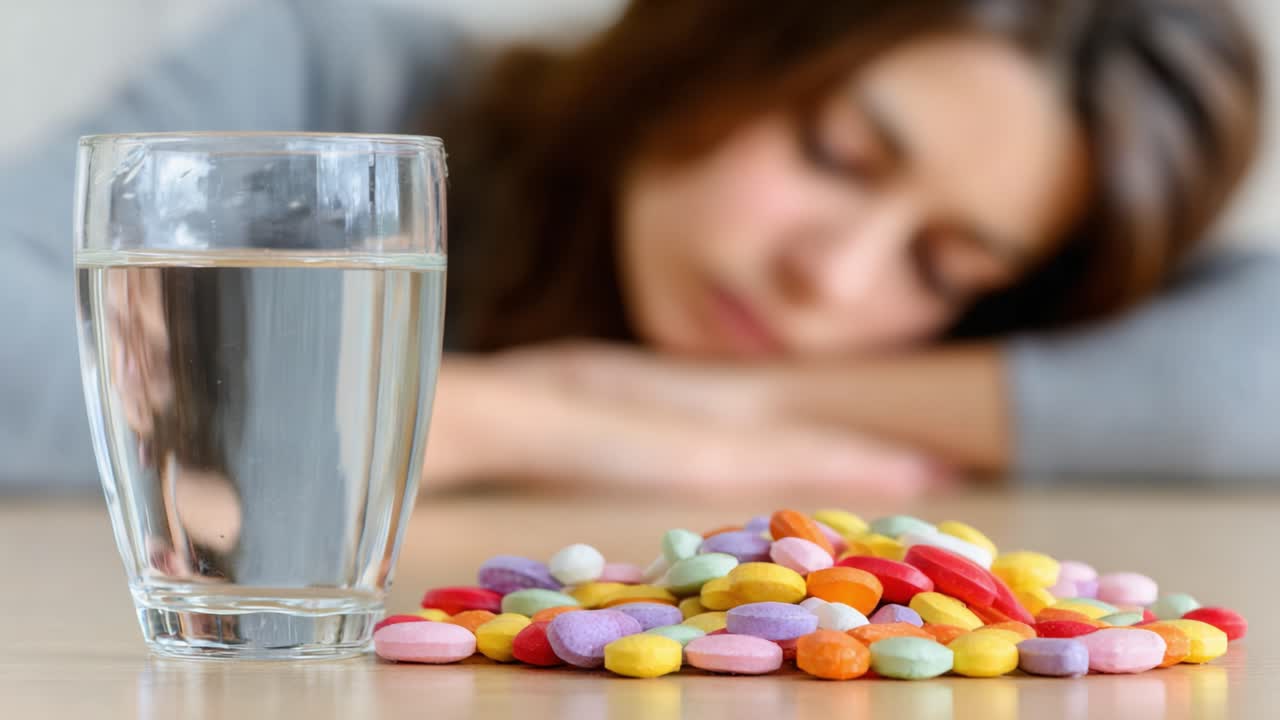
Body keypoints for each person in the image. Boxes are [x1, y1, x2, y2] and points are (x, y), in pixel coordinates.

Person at [2, 0, 1277, 497]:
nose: (830, 280)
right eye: (834, 153)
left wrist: (735, 399)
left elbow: (1247, 375)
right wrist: (528, 419)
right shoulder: (339, 80)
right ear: (711, 42)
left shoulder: (901, 356)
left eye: (945, 271)